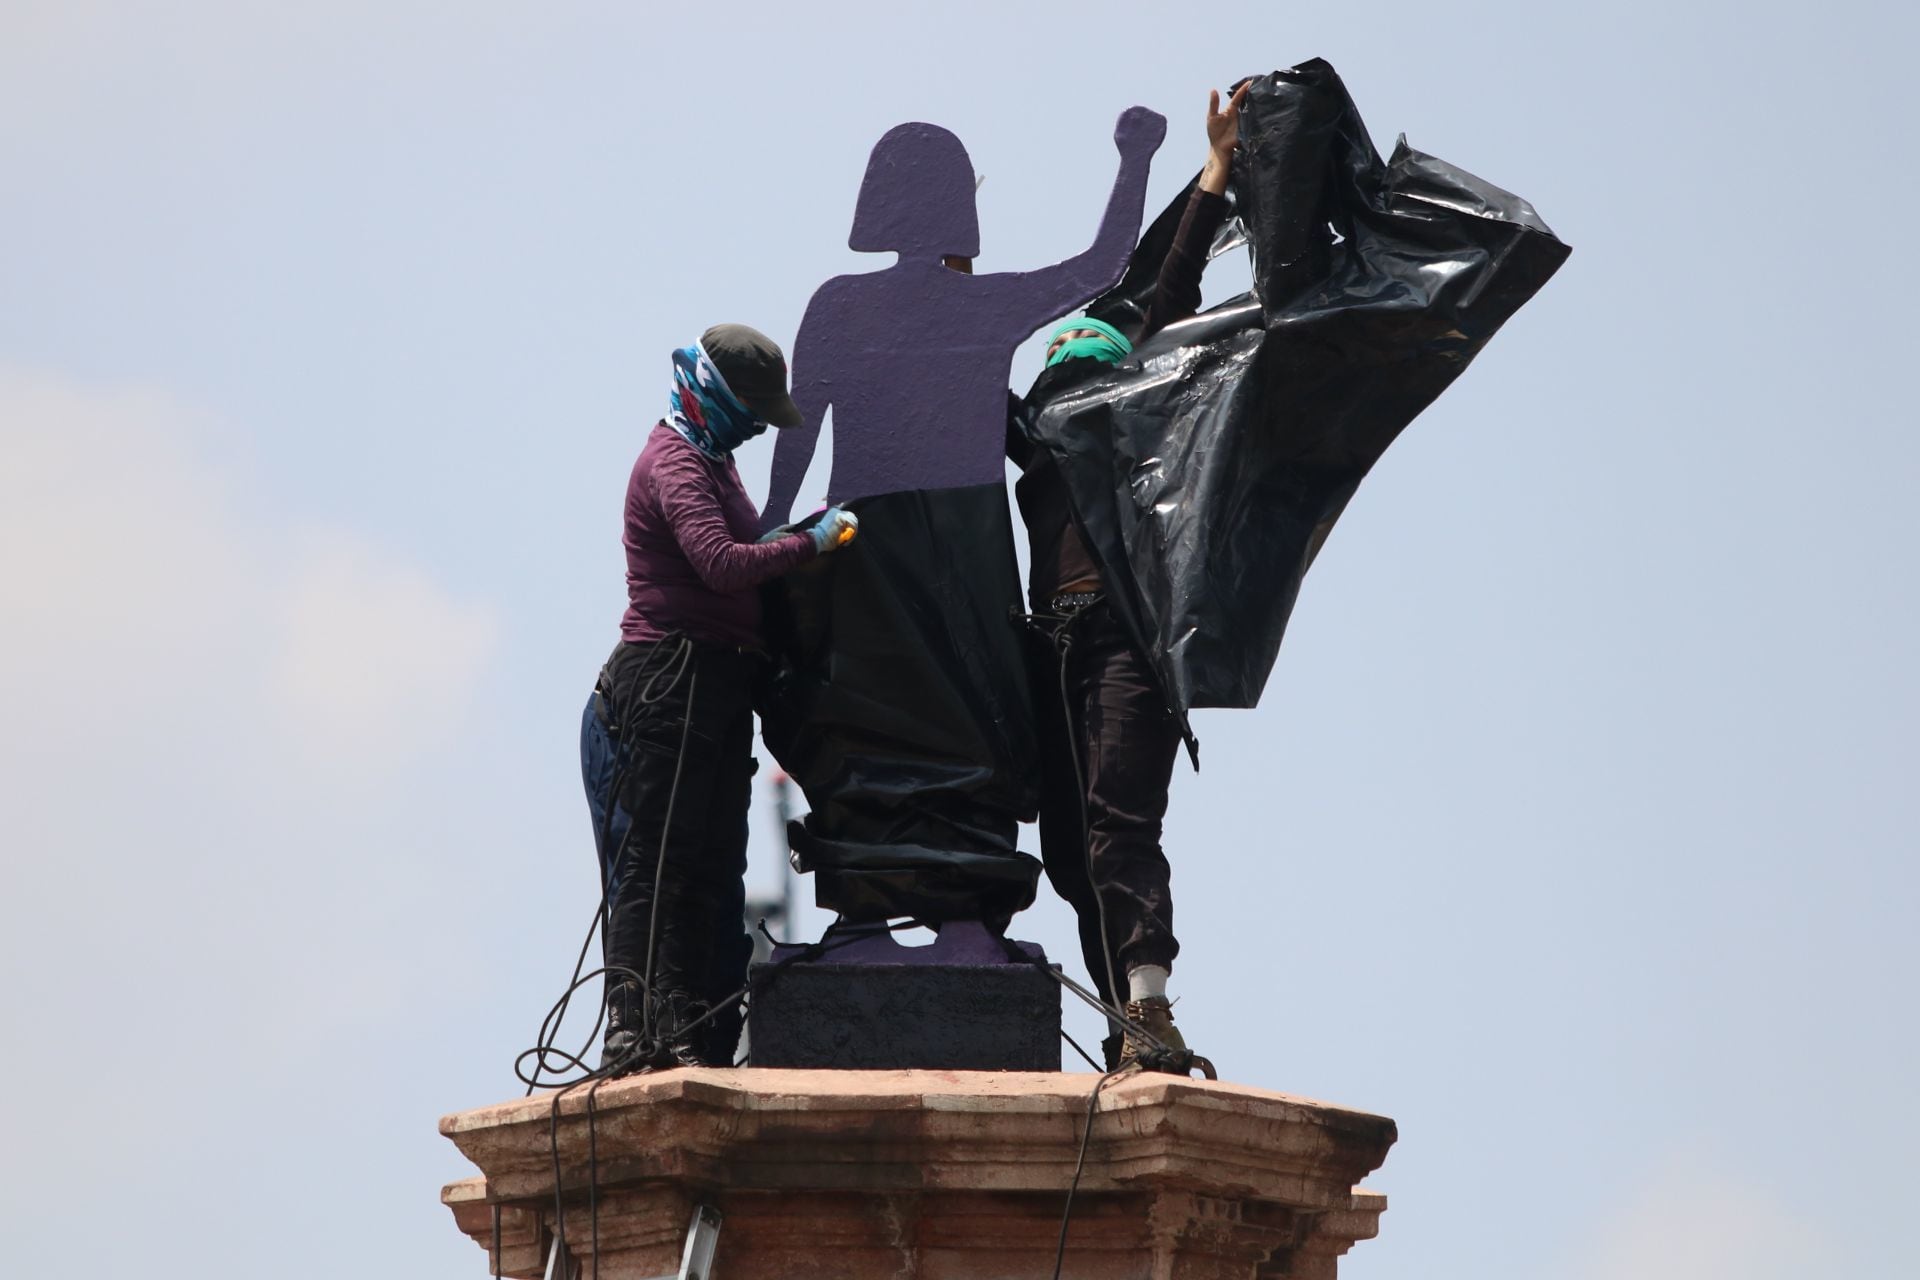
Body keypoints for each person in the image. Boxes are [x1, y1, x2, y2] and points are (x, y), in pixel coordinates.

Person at [1007, 85, 1249, 1072]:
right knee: (1072, 853)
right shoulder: (1034, 441)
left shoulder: (1121, 416)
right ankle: (1122, 1025)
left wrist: (1218, 173)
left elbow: (1172, 294)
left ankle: (1150, 1011)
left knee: (1117, 827)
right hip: (1046, 650)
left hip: (1121, 641)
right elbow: (953, 366)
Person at [582, 324, 860, 1072]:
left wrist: (799, 535)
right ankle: (632, 1028)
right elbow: (720, 563)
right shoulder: (673, 463)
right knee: (658, 863)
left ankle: (692, 1030)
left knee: (713, 867)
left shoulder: (716, 459)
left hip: (715, 688)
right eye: (753, 409)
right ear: (711, 393)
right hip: (667, 679)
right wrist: (810, 544)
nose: (758, 427)